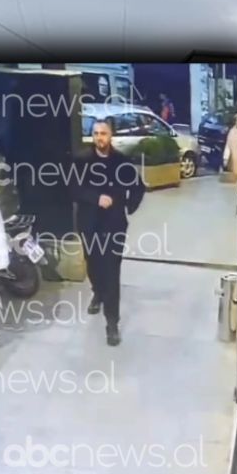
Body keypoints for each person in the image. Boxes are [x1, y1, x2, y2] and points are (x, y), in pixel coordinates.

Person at [76, 117, 144, 347]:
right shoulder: (82, 161)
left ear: (110, 135)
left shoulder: (122, 162)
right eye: (95, 134)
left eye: (103, 133)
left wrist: (129, 206)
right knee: (93, 264)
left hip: (114, 225)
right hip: (89, 223)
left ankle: (112, 323)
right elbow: (72, 189)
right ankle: (98, 291)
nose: (99, 138)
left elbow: (138, 187)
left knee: (112, 271)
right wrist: (96, 198)